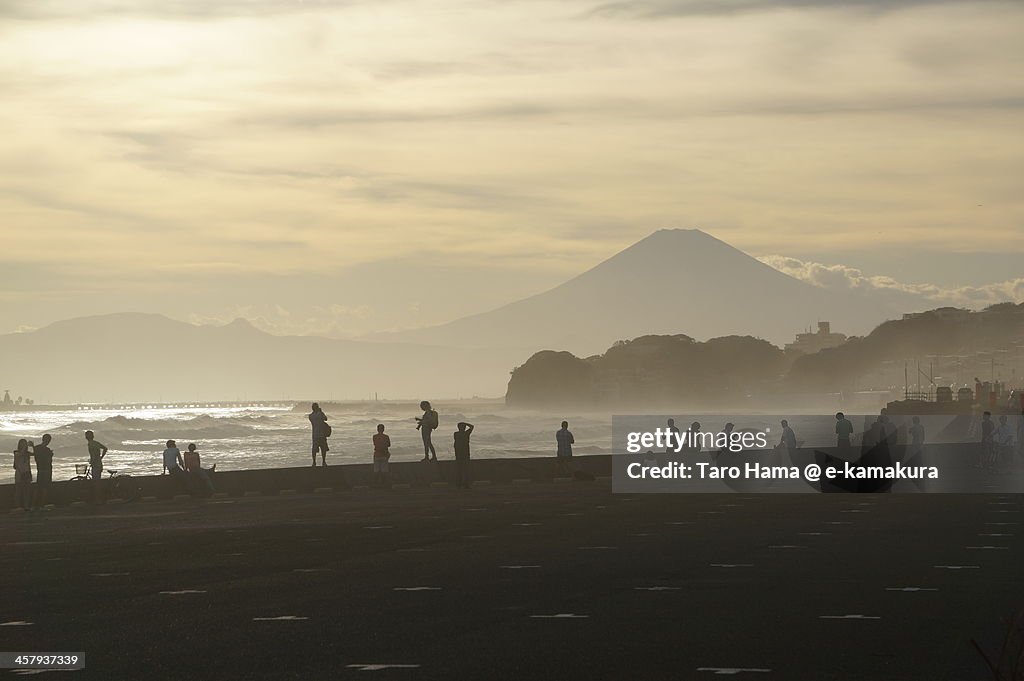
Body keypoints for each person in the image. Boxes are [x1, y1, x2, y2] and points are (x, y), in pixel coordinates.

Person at [29, 434, 54, 509]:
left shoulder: (38, 448)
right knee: (44, 488)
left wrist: (32, 447)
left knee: (39, 487)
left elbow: (36, 456)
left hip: (41, 470)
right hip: (46, 470)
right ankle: (41, 504)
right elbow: (47, 460)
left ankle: (35, 504)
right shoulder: (47, 450)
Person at [85, 430, 107, 503]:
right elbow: (105, 448)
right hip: (99, 463)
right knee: (97, 481)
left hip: (96, 465)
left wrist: (93, 461)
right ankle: (98, 499)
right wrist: (101, 457)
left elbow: (93, 455)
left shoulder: (90, 444)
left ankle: (98, 499)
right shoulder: (96, 443)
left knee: (96, 483)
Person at [453, 422, 475, 489]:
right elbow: (472, 426)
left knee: (459, 469)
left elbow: (455, 444)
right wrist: (465, 423)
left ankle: (459, 484)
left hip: (458, 453)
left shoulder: (456, 434)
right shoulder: (466, 433)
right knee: (465, 470)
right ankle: (466, 484)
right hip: (465, 453)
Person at [13, 439, 32, 511]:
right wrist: (26, 446)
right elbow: (20, 454)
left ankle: (26, 506)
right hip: (20, 473)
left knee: (27, 491)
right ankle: (18, 506)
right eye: (22, 443)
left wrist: (33, 446)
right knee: (19, 490)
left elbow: (34, 454)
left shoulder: (27, 453)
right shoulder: (16, 452)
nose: (23, 445)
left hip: (27, 472)